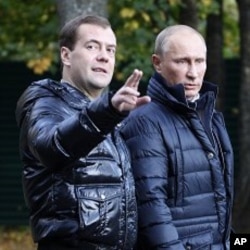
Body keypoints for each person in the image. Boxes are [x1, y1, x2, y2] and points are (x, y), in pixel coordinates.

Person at [15, 15, 150, 250]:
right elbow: (50, 148)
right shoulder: (45, 100)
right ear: (66, 55)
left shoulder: (110, 117)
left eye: (111, 50)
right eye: (92, 46)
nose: (104, 56)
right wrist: (107, 112)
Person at [121, 24, 234, 249]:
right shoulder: (144, 121)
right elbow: (151, 209)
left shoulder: (210, 117)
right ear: (157, 63)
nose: (193, 72)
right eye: (182, 61)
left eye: (199, 61)